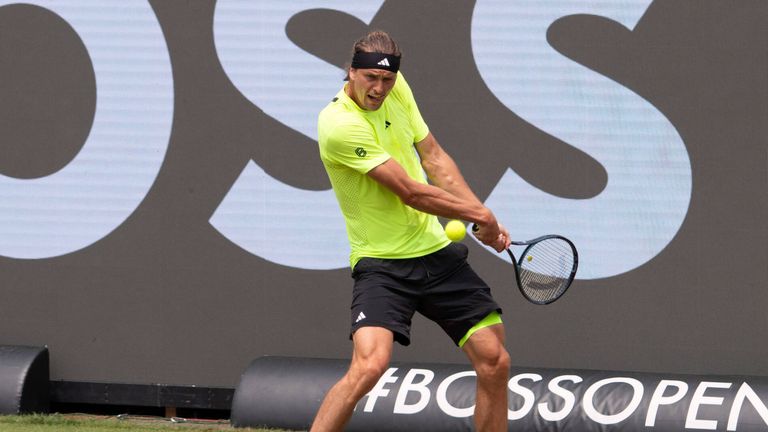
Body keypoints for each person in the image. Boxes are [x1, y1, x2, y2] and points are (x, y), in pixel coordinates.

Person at [313, 30, 511, 432]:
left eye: (386, 80)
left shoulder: (397, 89)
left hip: (436, 254)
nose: (379, 88)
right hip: (382, 264)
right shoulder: (338, 125)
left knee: (494, 360)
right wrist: (483, 217)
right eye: (370, 77)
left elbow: (434, 158)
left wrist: (478, 215)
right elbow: (410, 192)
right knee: (370, 366)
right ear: (349, 72)